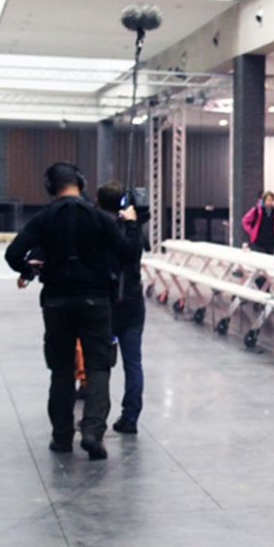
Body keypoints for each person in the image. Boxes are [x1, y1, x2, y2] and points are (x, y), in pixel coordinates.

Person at [4, 162, 140, 460]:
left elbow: (13, 254)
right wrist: (131, 223)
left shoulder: (44, 218)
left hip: (56, 302)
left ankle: (62, 437)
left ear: (51, 188)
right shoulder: (98, 217)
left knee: (61, 370)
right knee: (98, 367)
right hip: (95, 302)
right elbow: (129, 254)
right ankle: (92, 432)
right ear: (81, 183)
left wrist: (29, 269)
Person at [95, 181, 148, 434]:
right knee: (133, 363)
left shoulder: (97, 228)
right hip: (132, 304)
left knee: (100, 364)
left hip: (104, 303)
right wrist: (132, 221)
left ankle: (96, 417)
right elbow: (136, 251)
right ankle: (130, 417)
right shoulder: (130, 228)